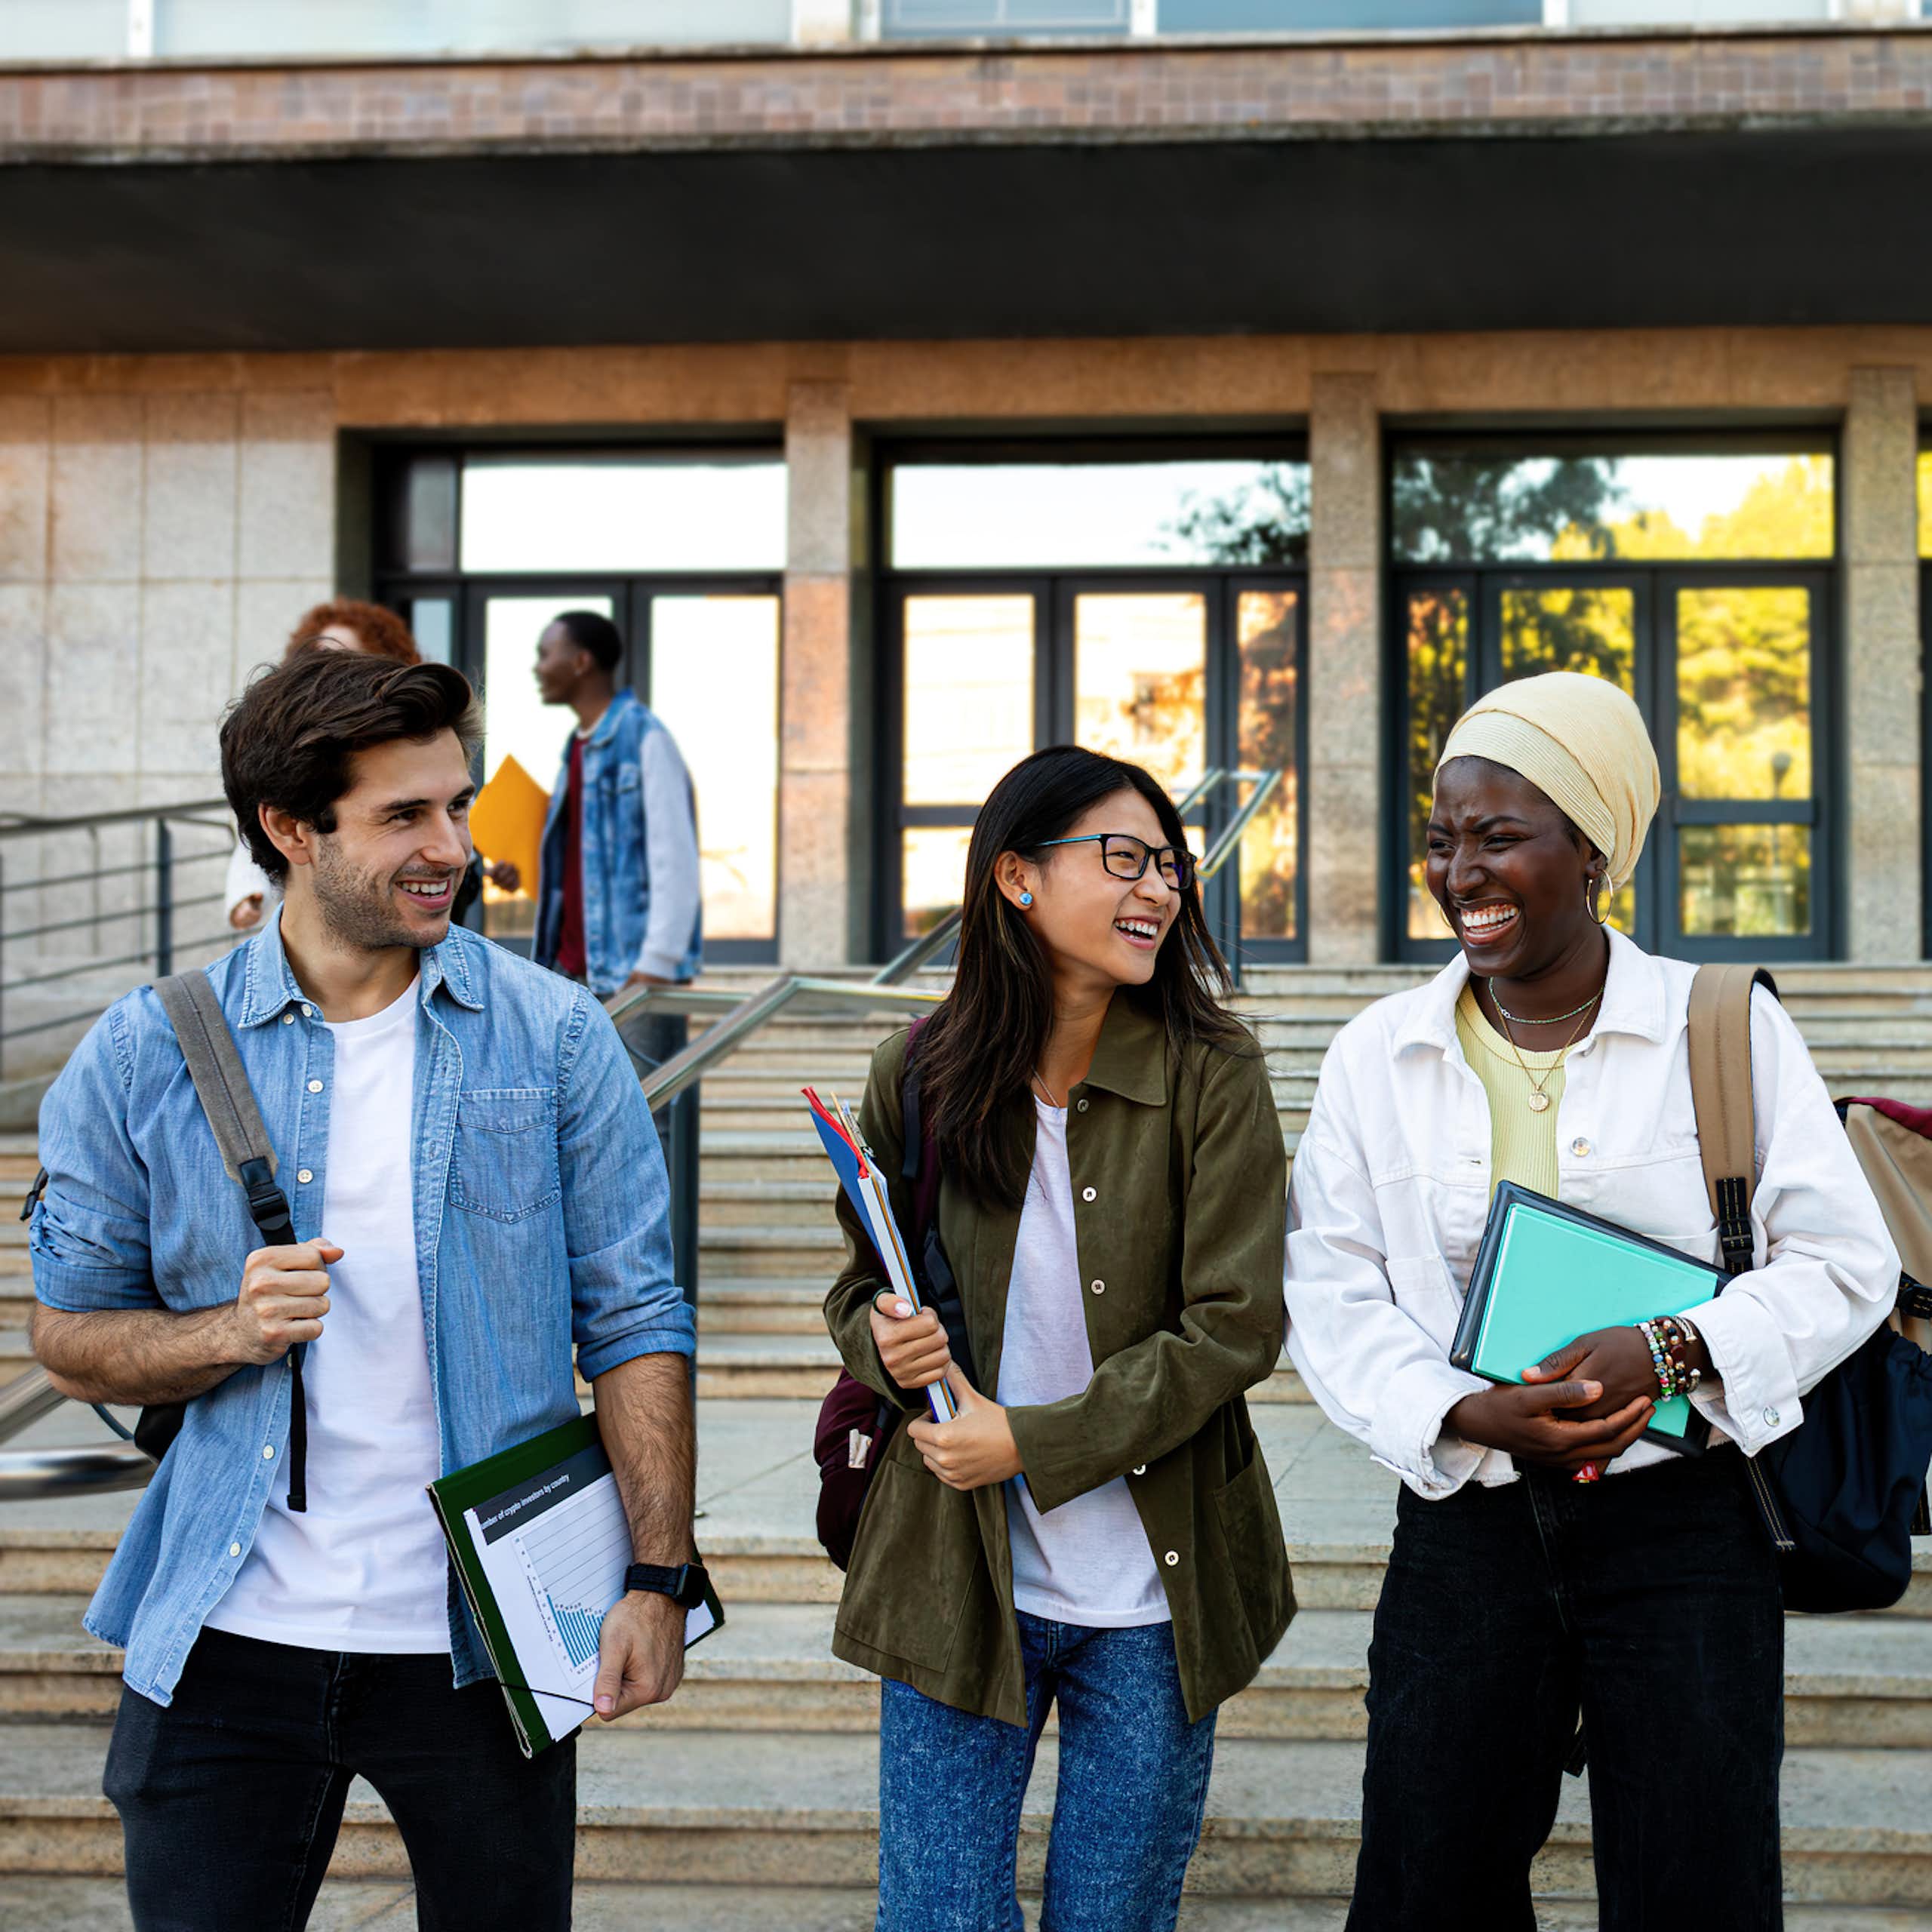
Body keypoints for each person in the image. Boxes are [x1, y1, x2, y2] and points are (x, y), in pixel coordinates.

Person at [28, 648, 700, 1931]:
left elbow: (635, 1321)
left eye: (454, 805)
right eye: (406, 815)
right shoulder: (143, 1051)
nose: (453, 844)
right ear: (290, 829)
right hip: (225, 1635)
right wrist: (226, 1330)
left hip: (481, 1638)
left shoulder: (554, 1038)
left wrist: (657, 1581)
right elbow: (63, 1336)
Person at [1284, 672, 1900, 1930]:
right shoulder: (1376, 1054)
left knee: (1697, 1889)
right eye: (1446, 839)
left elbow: (1846, 1263)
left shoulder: (1722, 1026)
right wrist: (1463, 1412)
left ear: (1595, 852)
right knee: (1427, 1884)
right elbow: (1331, 1287)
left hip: (1683, 1527)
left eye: (1502, 837)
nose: (1464, 871)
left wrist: (1670, 1347)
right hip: (1466, 1533)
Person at [825, 746, 1293, 1932]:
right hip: (959, 1579)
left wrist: (1027, 1440)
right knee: (937, 1916)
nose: (1159, 890)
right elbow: (855, 1288)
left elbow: (1237, 1328)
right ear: (1018, 879)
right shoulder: (920, 1072)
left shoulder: (1214, 1071)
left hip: (1154, 1590)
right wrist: (892, 1344)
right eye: (1124, 859)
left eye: (1170, 869)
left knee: (1112, 1917)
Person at [531, 608, 701, 1006]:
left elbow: (674, 858)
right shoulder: (576, 747)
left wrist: (657, 962)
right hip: (572, 974)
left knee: (657, 1074)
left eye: (545, 654)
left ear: (581, 661)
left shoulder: (646, 738)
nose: (537, 668)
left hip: (634, 976)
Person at [225, 600, 422, 931]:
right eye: (320, 653)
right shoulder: (293, 737)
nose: (329, 665)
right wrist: (248, 891)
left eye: (345, 654)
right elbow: (260, 823)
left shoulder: (413, 730)